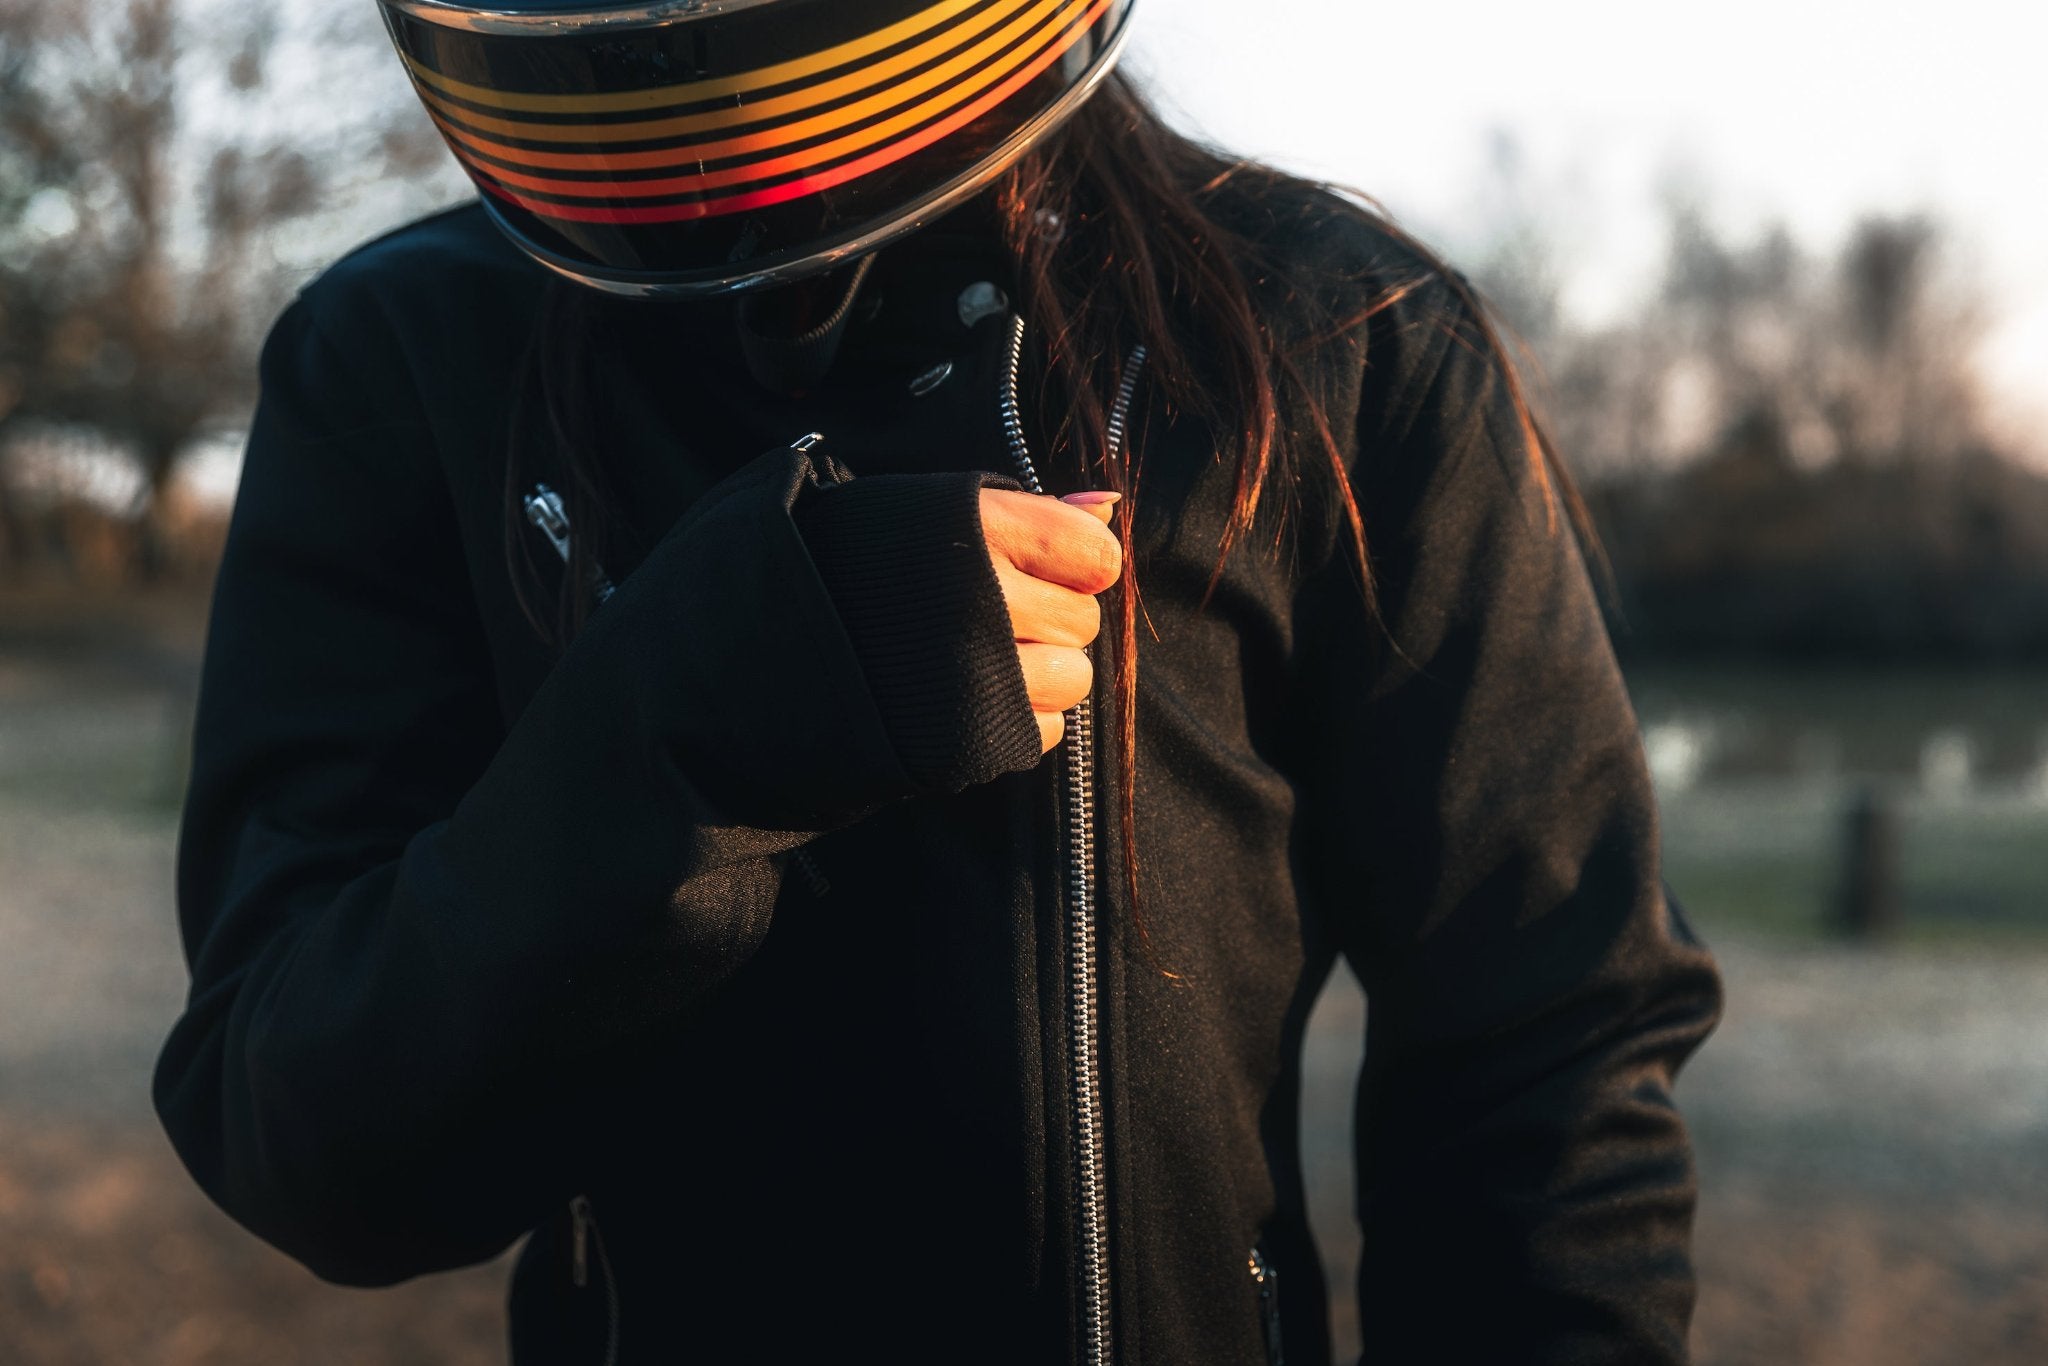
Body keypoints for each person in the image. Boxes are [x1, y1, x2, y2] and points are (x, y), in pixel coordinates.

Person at [154, 1, 1725, 1362]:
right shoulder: (404, 360)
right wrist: (678, 739)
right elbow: (304, 1137)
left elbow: (1548, 1065)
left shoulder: (1339, 341)